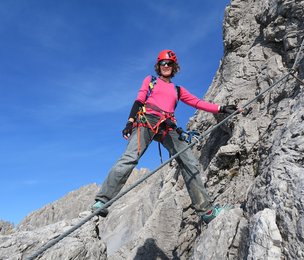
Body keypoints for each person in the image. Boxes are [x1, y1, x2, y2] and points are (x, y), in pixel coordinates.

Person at [91, 50, 239, 224]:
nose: (166, 66)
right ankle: (102, 200)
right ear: (158, 66)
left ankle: (205, 210)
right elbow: (139, 100)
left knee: (189, 161)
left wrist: (222, 108)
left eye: (169, 64)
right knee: (130, 158)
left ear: (174, 67)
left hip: (167, 126)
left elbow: (198, 103)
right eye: (163, 63)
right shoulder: (151, 80)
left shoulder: (178, 90)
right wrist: (130, 122)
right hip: (146, 121)